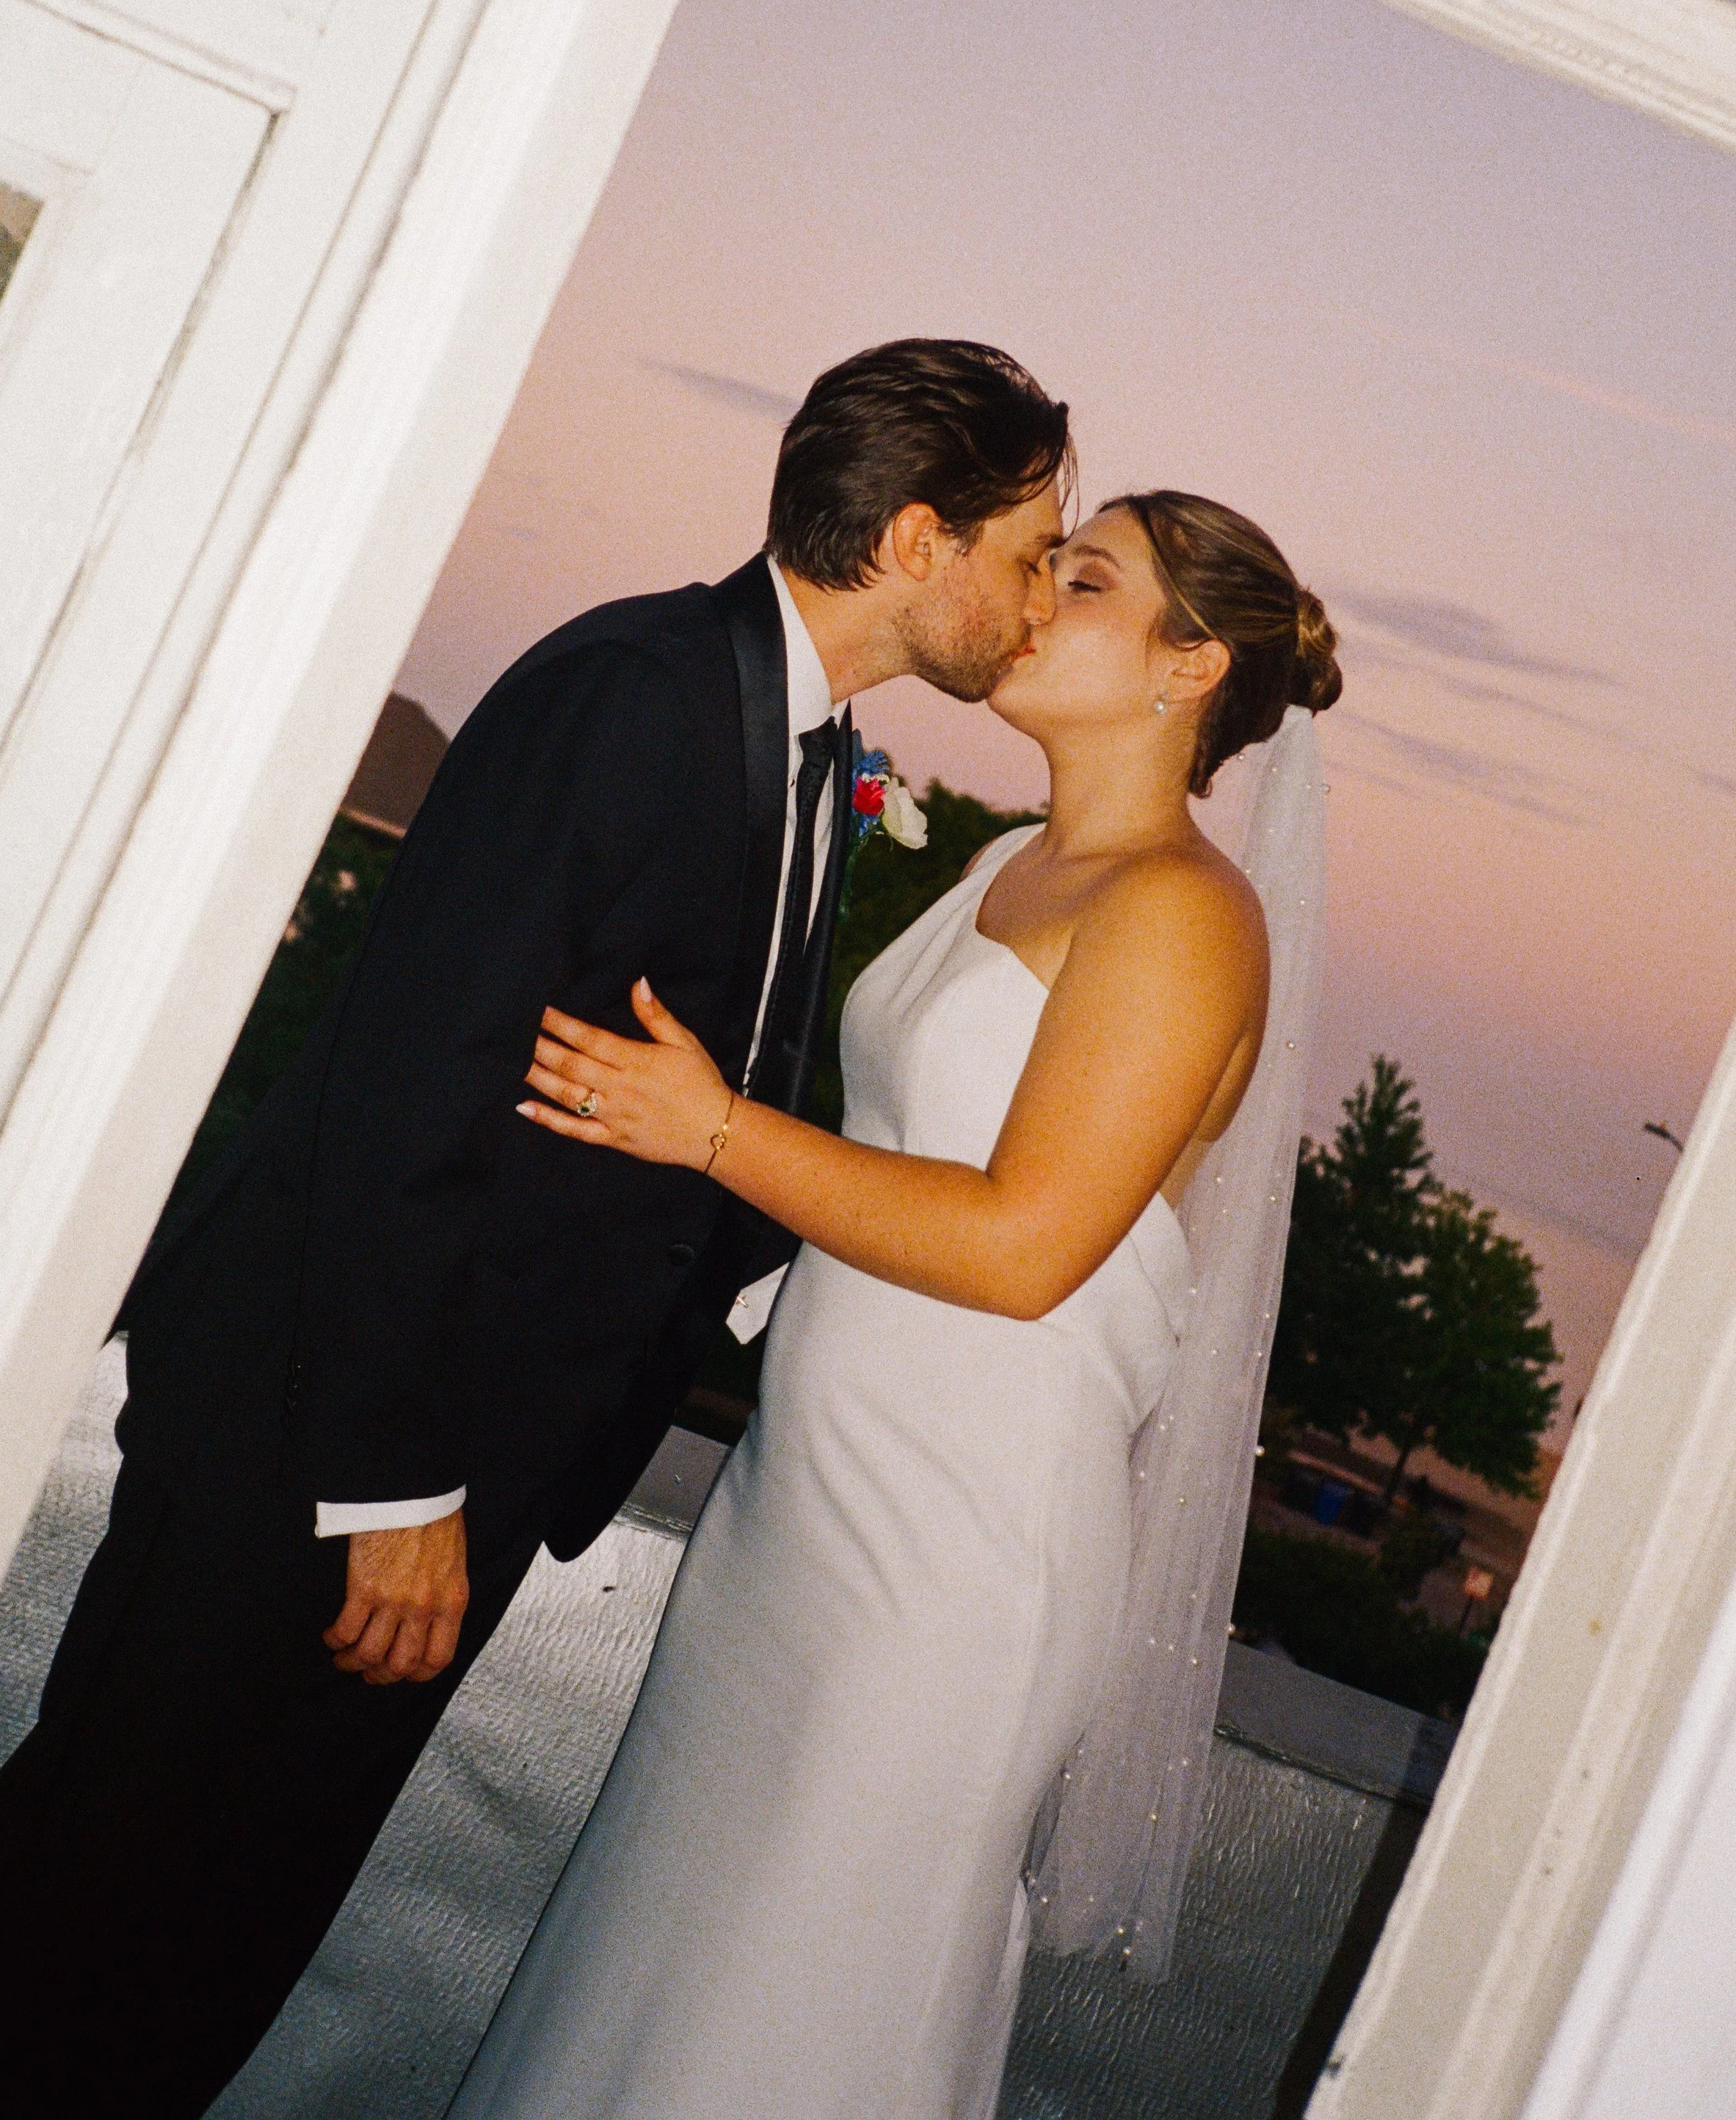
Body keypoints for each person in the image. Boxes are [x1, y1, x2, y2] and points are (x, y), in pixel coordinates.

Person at [0, 339, 1072, 2120]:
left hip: (451, 1473)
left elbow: (667, 1140)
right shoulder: (633, 692)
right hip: (320, 1447)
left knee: (194, 1963)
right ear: (915, 540)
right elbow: (415, 1088)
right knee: (84, 1927)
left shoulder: (813, 758)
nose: (1036, 598)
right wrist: (396, 1487)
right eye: (1028, 551)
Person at [446, 488, 1342, 2120]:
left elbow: (1019, 1246)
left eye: (1084, 577)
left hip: (950, 1559)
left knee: (796, 2002)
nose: (1033, 595)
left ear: (1187, 662)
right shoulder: (1010, 861)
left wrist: (710, 1126)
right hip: (794, 1516)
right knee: (661, 1967)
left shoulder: (1184, 916)